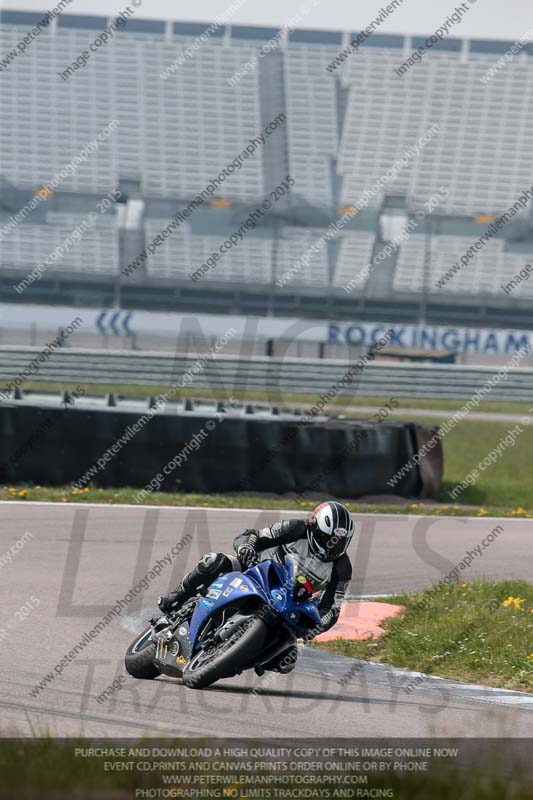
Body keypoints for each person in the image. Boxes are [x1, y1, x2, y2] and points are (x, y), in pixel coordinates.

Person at [158, 500, 354, 674]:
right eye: (326, 539)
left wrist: (317, 626)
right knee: (214, 561)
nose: (332, 546)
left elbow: (332, 608)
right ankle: (177, 596)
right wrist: (246, 548)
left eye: (339, 542)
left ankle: (236, 658)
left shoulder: (342, 567)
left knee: (287, 660)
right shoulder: (294, 529)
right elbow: (253, 536)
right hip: (256, 573)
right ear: (314, 529)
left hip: (289, 603)